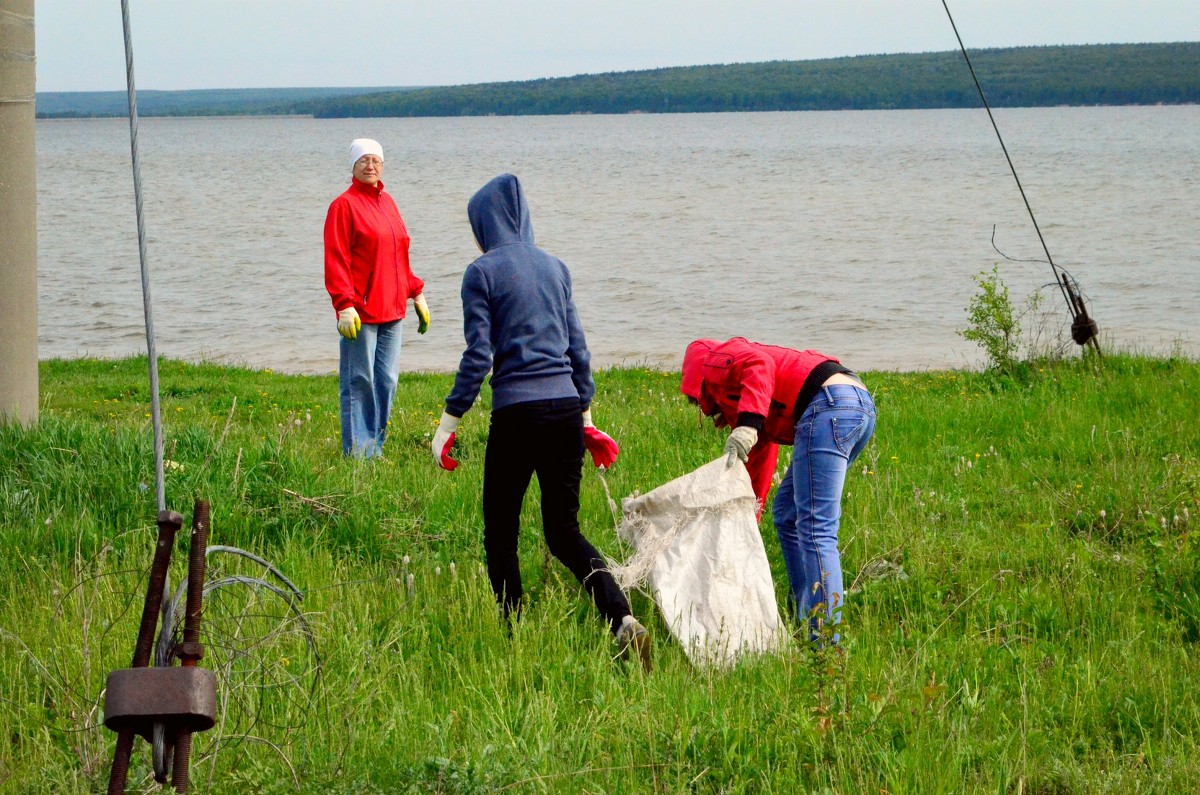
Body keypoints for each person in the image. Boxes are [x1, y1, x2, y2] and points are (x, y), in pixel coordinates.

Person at [430, 173, 649, 669]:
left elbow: (478, 355)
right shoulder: (556, 268)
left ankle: (514, 638)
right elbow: (578, 349)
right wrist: (587, 416)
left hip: (517, 414)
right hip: (566, 410)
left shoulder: (480, 272)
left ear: (483, 223)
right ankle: (620, 618)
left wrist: (449, 421)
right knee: (564, 531)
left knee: (501, 532)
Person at [679, 338, 876, 644]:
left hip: (830, 405)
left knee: (817, 529)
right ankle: (806, 616)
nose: (707, 411)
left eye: (701, 403)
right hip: (855, 405)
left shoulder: (710, 360)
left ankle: (824, 643)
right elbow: (758, 462)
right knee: (786, 514)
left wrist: (747, 424)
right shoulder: (752, 401)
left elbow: (761, 365)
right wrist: (745, 524)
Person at [324, 138, 430, 458]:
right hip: (361, 311)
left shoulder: (388, 202)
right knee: (360, 381)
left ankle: (376, 448)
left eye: (376, 160)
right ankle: (359, 453)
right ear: (353, 166)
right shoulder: (343, 206)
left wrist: (416, 292)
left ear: (382, 165)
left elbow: (400, 254)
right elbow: (336, 258)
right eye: (364, 161)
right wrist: (344, 304)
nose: (370, 166)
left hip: (393, 308)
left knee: (386, 382)